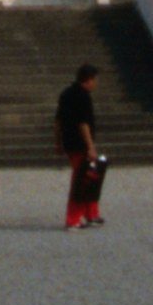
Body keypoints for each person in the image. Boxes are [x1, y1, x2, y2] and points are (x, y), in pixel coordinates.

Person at [55, 63, 106, 229]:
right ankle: (73, 219)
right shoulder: (83, 96)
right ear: (89, 80)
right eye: (95, 79)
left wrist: (58, 142)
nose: (96, 83)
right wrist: (91, 146)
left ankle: (91, 213)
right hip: (80, 144)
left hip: (69, 142)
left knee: (89, 178)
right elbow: (83, 123)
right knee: (82, 181)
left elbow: (58, 121)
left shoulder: (66, 94)